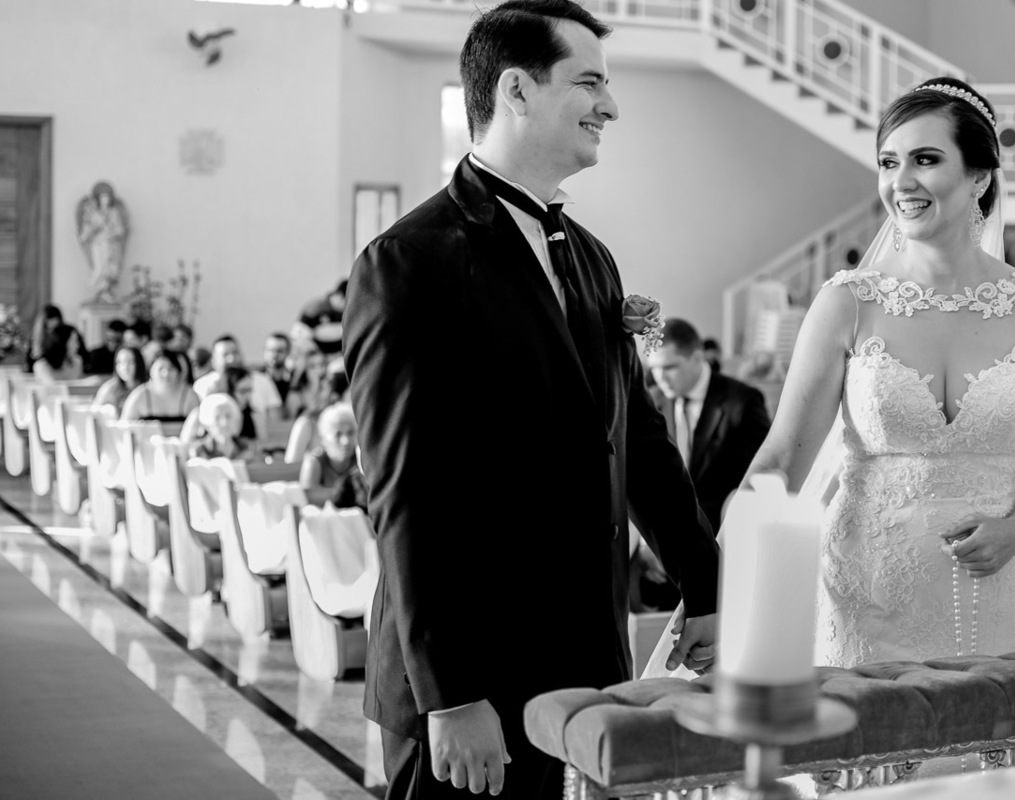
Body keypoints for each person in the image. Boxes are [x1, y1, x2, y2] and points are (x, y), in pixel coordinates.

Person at [342, 3, 720, 797]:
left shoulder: (590, 257)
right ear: (516, 89)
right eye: (589, 82)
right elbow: (403, 493)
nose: (610, 106)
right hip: (473, 678)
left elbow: (637, 442)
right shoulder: (409, 262)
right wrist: (451, 695)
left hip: (585, 666)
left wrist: (705, 585)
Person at [737, 77, 1015, 667]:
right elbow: (778, 463)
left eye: (925, 159)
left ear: (980, 176)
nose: (901, 181)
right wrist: (727, 581)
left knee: (992, 749)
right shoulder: (846, 302)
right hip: (864, 588)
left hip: (998, 585)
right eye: (888, 161)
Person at [637, 318, 770, 610]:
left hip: (722, 551)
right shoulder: (652, 401)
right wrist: (650, 543)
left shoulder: (742, 402)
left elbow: (756, 481)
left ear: (697, 358)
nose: (661, 378)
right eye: (654, 369)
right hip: (661, 559)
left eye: (669, 367)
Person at [194, 335, 283, 421]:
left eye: (235, 352)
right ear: (213, 360)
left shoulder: (263, 381)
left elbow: (276, 421)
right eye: (225, 355)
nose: (231, 359)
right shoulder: (203, 385)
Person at [75, 180, 129, 303]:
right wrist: (95, 229)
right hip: (99, 246)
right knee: (100, 269)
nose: (105, 200)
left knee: (111, 270)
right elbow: (85, 235)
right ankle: (96, 291)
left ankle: (107, 292)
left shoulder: (114, 213)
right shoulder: (93, 214)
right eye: (102, 197)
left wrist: (113, 231)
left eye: (107, 197)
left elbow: (120, 230)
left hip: (111, 245)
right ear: (98, 199)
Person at [299, 402, 360, 502]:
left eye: (350, 433)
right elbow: (308, 499)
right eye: (338, 434)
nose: (346, 441)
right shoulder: (313, 462)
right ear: (323, 439)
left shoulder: (359, 460)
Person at [121, 350, 199, 422]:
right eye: (160, 369)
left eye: (171, 368)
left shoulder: (190, 396)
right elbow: (124, 427)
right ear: (151, 371)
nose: (166, 373)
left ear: (178, 371)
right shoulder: (138, 396)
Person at [188, 393, 256, 461]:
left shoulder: (246, 448)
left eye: (228, 416)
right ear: (207, 424)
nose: (224, 423)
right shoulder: (200, 450)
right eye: (217, 418)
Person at [295, 279, 347, 357]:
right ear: (339, 296)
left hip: (338, 356)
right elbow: (300, 336)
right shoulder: (315, 308)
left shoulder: (343, 312)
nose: (347, 307)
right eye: (346, 302)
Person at [92, 346, 147, 414]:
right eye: (120, 362)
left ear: (139, 364)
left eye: (130, 362)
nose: (125, 367)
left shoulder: (147, 388)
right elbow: (94, 413)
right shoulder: (109, 389)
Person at [261, 331, 293, 405]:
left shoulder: (294, 381)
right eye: (270, 350)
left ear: (288, 352)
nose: (274, 355)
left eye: (279, 351)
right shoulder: (255, 379)